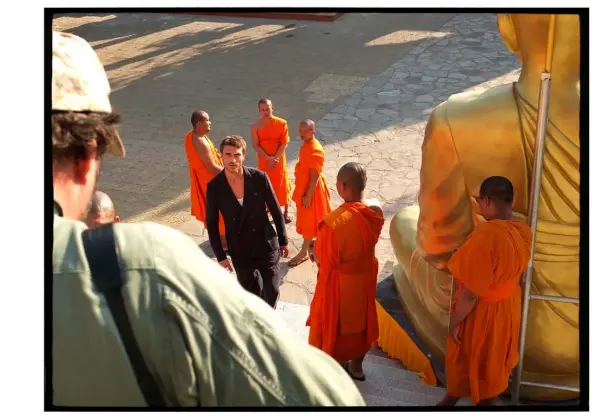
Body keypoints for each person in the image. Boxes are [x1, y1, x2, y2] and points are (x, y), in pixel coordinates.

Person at [52, 30, 366, 407]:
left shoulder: (258, 176)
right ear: (89, 158)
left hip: (261, 245)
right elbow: (328, 398)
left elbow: (271, 199)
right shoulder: (144, 265)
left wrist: (280, 238)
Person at [388, 14, 579, 398]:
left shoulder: (457, 119)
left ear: (508, 27)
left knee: (402, 224)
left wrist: (461, 312)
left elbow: (438, 249)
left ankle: (467, 395)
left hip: (512, 327)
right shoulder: (519, 234)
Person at [436, 176, 532, 406]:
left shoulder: (487, 236)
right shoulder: (522, 230)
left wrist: (455, 321)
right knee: (493, 361)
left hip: (482, 313)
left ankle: (484, 404)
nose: (478, 206)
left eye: (479, 201)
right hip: (506, 310)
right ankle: (452, 398)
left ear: (488, 201)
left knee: (474, 359)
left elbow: (470, 293)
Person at [306, 162, 385, 381]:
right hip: (365, 280)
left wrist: (314, 248)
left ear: (341, 186)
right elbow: (369, 209)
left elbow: (324, 262)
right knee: (362, 324)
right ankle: (357, 367)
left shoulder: (332, 224)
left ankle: (332, 367)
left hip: (340, 286)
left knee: (335, 326)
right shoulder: (374, 213)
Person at [206, 135, 290, 308]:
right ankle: (258, 316)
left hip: (265, 243)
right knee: (249, 292)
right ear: (221, 155)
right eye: (228, 155)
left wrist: (283, 241)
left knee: (272, 289)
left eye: (237, 155)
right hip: (239, 248)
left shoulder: (259, 178)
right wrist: (221, 256)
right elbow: (212, 223)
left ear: (244, 155)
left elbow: (275, 210)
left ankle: (268, 316)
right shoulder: (215, 187)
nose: (232, 159)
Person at [288, 119, 332, 267]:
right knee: (311, 219)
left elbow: (314, 176)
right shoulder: (306, 145)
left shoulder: (316, 150)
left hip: (312, 191)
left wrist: (308, 195)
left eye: (305, 131)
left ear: (313, 131)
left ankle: (303, 252)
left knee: (309, 220)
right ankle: (313, 242)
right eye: (300, 131)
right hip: (304, 187)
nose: (301, 134)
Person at [184, 110, 226, 248]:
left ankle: (219, 238)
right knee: (220, 212)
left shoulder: (190, 136)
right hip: (210, 182)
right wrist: (233, 172)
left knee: (211, 212)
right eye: (208, 120)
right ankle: (224, 242)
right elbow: (212, 167)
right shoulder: (201, 142)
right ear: (199, 123)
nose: (210, 123)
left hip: (202, 180)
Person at [250, 98, 293, 224]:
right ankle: (267, 209)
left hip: (278, 161)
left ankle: (285, 212)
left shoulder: (282, 123)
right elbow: (256, 145)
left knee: (282, 184)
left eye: (267, 109)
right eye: (263, 110)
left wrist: (275, 158)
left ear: (272, 108)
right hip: (264, 161)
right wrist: (267, 158)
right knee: (265, 185)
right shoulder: (254, 127)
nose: (265, 111)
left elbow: (284, 142)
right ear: (259, 111)